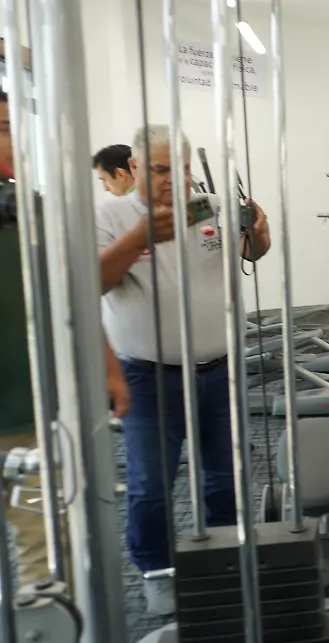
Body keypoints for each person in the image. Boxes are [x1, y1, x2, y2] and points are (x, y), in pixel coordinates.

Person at [97, 124, 271, 615]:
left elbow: (251, 252)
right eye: (159, 169)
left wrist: (258, 234)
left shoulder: (207, 207)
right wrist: (139, 238)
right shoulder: (112, 215)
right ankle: (156, 570)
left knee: (225, 476)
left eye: (183, 167)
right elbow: (92, 280)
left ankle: (223, 558)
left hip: (220, 371)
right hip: (147, 379)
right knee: (152, 484)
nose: (175, 178)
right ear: (133, 170)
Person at [0, 86, 128, 589]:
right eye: (6, 129)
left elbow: (71, 294)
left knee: (48, 551)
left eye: (14, 127)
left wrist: (109, 368)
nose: (16, 140)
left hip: (28, 417)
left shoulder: (28, 210)